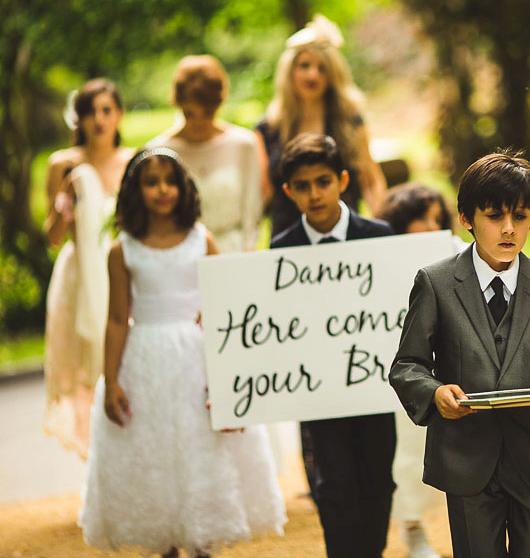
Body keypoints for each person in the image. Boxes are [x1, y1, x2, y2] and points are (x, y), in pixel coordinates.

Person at [389, 150, 530, 558]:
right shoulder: (435, 283)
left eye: (520, 217)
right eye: (494, 216)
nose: (509, 229)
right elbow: (407, 365)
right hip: (467, 459)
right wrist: (434, 393)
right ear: (466, 218)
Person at [79, 148, 286, 557]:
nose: (162, 190)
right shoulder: (123, 250)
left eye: (170, 181)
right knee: (156, 450)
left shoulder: (200, 240)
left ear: (184, 187)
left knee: (202, 446)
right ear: (135, 191)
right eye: (151, 181)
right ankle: (168, 541)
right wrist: (112, 380)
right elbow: (117, 319)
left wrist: (230, 375)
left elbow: (223, 311)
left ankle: (203, 538)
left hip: (198, 358)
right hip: (146, 363)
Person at [270, 133, 395, 558]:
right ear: (288, 192)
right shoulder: (280, 250)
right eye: (302, 186)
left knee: (378, 480)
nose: (314, 193)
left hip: (374, 388)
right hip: (317, 395)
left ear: (342, 181)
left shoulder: (379, 236)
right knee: (332, 486)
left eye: (322, 181)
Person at [42, 78, 135, 458]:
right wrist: (65, 205)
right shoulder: (62, 164)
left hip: (121, 273)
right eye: (90, 111)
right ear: (78, 118)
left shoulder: (133, 160)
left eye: (106, 110)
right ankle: (99, 458)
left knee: (123, 360)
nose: (98, 120)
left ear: (119, 115)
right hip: (78, 276)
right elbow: (52, 236)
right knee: (84, 367)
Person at [376, 183, 466, 558]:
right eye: (420, 218)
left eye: (437, 218)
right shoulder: (380, 262)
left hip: (451, 372)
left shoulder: (460, 255)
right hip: (405, 376)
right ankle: (411, 528)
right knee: (409, 453)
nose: (431, 226)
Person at [257, 13, 386, 234]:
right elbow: (261, 193)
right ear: (290, 71)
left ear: (333, 74)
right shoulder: (268, 129)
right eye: (304, 65)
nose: (312, 74)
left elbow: (371, 181)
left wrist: (381, 226)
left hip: (347, 236)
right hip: (288, 239)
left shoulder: (351, 121)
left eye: (322, 67)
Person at [149, 54, 265, 253]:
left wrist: (247, 254)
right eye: (190, 114)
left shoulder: (243, 144)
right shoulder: (159, 150)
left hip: (232, 250)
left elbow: (252, 212)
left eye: (207, 113)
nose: (198, 123)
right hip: (179, 251)